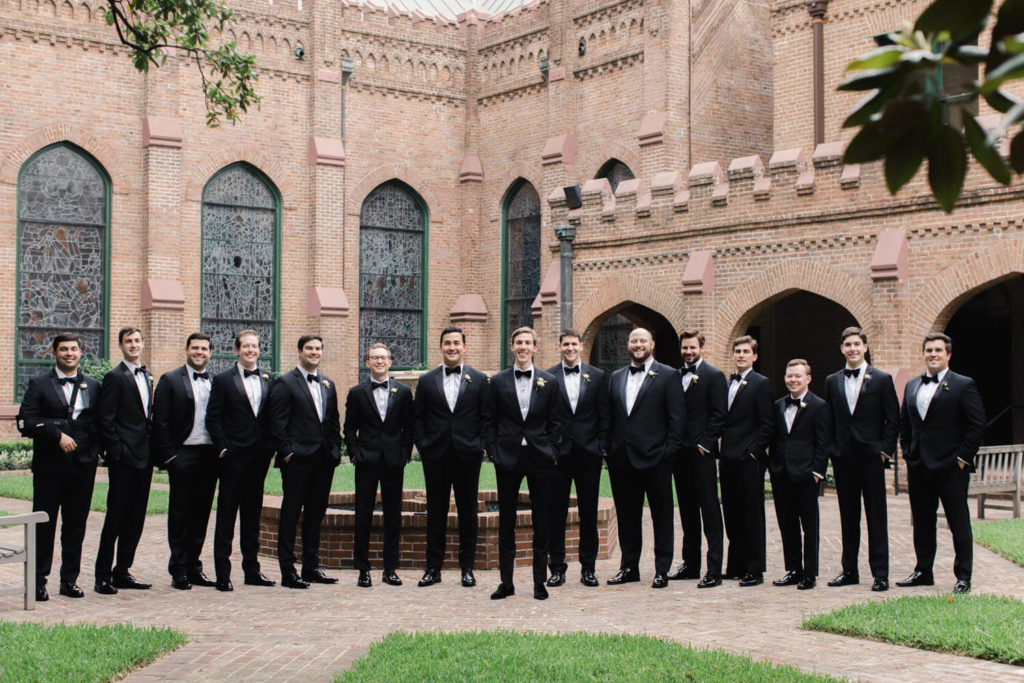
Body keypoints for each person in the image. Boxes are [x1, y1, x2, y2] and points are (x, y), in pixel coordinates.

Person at [898, 332, 985, 594]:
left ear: (948, 354)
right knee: (923, 521)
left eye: (938, 350)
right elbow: (906, 424)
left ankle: (963, 576)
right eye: (929, 350)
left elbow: (977, 425)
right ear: (923, 354)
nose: (933, 354)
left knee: (958, 522)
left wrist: (961, 459)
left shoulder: (963, 384)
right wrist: (908, 452)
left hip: (950, 468)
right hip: (919, 466)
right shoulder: (912, 385)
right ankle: (923, 570)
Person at [17, 333, 101, 601]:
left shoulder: (93, 385)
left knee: (76, 526)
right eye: (63, 349)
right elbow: (26, 422)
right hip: (49, 469)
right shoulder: (39, 384)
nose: (69, 353)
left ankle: (69, 580)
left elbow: (99, 423)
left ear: (80, 353)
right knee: (44, 525)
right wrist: (57, 435)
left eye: (73, 349)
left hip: (83, 468)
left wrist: (97, 453)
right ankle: (38, 582)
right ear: (54, 352)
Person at [486, 327, 564, 600]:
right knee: (506, 520)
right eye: (518, 342)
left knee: (542, 520)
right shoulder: (497, 381)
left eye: (527, 343)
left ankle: (538, 582)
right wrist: (493, 451)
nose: (522, 347)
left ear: (535, 348)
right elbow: (490, 421)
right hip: (507, 457)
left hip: (540, 457)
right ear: (511, 346)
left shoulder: (549, 381)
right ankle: (506, 582)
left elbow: (556, 421)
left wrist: (552, 450)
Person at [605, 327, 685, 589]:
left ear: (651, 344)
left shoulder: (669, 375)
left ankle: (661, 569)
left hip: (656, 459)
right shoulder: (616, 377)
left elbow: (677, 419)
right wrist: (609, 450)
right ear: (628, 345)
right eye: (633, 341)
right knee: (627, 516)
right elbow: (611, 418)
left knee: (662, 516)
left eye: (642, 341)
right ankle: (629, 567)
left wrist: (667, 454)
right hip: (622, 460)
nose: (637, 345)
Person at [413, 326, 491, 589]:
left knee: (468, 512)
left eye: (457, 343)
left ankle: (467, 568)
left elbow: (486, 418)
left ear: (464, 347)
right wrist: (424, 446)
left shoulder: (479, 380)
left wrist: (480, 446)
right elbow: (418, 419)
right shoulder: (426, 381)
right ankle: (433, 568)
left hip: (467, 455)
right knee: (435, 512)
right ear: (441, 347)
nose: (452, 347)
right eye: (447, 343)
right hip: (435, 455)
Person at [823, 326, 899, 592]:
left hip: (871, 459)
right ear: (842, 349)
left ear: (865, 347)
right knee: (848, 516)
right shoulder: (832, 381)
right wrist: (833, 449)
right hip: (844, 458)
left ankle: (880, 574)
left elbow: (893, 419)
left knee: (876, 517)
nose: (853, 349)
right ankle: (849, 570)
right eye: (848, 345)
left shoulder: (881, 379)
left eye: (857, 344)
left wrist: (884, 451)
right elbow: (829, 419)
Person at [268, 335, 343, 588]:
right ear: (299, 351)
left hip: (323, 460)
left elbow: (332, 422)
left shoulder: (328, 384)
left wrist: (335, 451)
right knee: (290, 516)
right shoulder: (285, 383)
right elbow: (276, 424)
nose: (314, 352)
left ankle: (311, 567)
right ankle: (288, 572)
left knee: (315, 515)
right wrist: (288, 453)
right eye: (309, 348)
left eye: (318, 348)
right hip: (297, 461)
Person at [206, 330, 276, 591]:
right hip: (232, 458)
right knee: (226, 517)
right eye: (245, 346)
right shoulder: (224, 379)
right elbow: (213, 417)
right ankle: (223, 573)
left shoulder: (270, 379)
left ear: (259, 350)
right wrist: (223, 448)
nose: (250, 350)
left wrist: (269, 449)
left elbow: (272, 418)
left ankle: (252, 570)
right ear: (237, 350)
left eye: (254, 346)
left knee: (252, 516)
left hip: (258, 459)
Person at [151, 332, 219, 590]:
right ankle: (178, 569)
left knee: (201, 513)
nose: (199, 352)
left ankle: (194, 566)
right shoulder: (170, 380)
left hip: (209, 454)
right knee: (180, 512)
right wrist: (170, 456)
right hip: (183, 453)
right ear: (187, 350)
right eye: (195, 348)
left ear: (210, 352)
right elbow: (160, 421)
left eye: (204, 348)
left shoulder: (216, 381)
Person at [343, 343, 414, 588]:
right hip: (367, 461)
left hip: (394, 462)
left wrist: (405, 454)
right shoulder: (356, 392)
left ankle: (390, 569)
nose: (380, 361)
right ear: (367, 362)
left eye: (384, 358)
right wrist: (355, 454)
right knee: (363, 515)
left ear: (390, 362)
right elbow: (349, 428)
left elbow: (409, 428)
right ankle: (363, 569)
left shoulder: (403, 392)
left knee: (393, 516)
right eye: (375, 357)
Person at [545, 329, 608, 588]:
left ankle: (588, 569)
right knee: (555, 514)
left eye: (574, 344)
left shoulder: (597, 376)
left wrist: (600, 446)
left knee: (588, 514)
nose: (570, 348)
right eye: (565, 344)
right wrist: (549, 447)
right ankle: (557, 569)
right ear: (560, 347)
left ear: (581, 346)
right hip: (558, 455)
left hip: (588, 456)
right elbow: (545, 416)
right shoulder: (548, 376)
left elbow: (604, 415)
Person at [95, 326, 154, 594]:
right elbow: (105, 420)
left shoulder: (149, 376)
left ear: (143, 344)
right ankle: (102, 575)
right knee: (116, 517)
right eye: (128, 341)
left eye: (137, 340)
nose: (134, 345)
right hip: (123, 459)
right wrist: (117, 451)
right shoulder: (114, 377)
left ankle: (123, 571)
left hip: (145, 458)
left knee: (136, 517)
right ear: (120, 345)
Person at [668, 330, 727, 589]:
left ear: (701, 347)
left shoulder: (713, 376)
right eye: (684, 348)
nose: (688, 352)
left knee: (709, 511)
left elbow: (719, 414)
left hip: (701, 454)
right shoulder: (673, 376)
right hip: (679, 454)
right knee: (687, 511)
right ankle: (690, 565)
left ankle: (714, 569)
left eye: (692, 347)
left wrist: (705, 444)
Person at [769, 359, 830, 591]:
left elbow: (824, 442)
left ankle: (809, 573)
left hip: (806, 474)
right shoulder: (778, 406)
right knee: (787, 524)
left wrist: (817, 471)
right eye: (789, 376)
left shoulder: (819, 406)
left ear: (808, 379)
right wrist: (773, 467)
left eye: (797, 376)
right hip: (781, 473)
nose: (793, 380)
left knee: (809, 525)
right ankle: (793, 569)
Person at [719, 335, 773, 587]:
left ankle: (754, 569)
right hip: (727, 458)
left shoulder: (761, 384)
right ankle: (735, 566)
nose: (740, 355)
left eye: (745, 352)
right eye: (737, 351)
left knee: (751, 514)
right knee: (731, 512)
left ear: (754, 356)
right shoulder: (728, 383)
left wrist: (753, 451)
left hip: (749, 460)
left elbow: (767, 424)